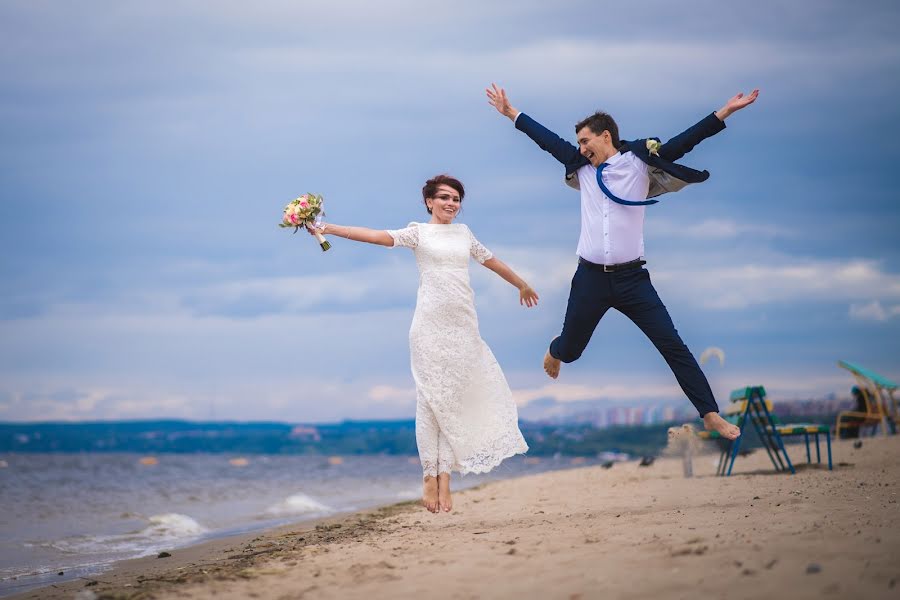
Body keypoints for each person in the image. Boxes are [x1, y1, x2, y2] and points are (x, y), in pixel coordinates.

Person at [485, 83, 759, 441]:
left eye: (586, 141)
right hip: (590, 279)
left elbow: (685, 141)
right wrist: (511, 113)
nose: (581, 148)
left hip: (633, 280)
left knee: (672, 345)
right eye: (579, 143)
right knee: (572, 350)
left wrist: (724, 112)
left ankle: (709, 414)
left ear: (606, 136)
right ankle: (556, 349)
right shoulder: (581, 168)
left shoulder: (639, 163)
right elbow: (547, 140)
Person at [307, 174, 536, 512]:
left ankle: (446, 479)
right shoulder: (418, 232)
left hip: (463, 327)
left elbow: (492, 262)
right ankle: (431, 477)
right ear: (429, 201)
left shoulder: (464, 234)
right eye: (444, 197)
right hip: (428, 327)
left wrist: (522, 284)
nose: (450, 203)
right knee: (430, 401)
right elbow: (376, 236)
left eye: (456, 199)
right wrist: (327, 228)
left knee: (451, 400)